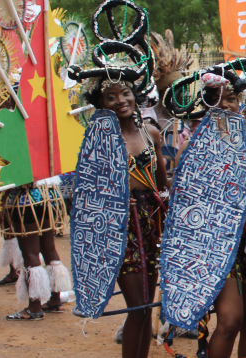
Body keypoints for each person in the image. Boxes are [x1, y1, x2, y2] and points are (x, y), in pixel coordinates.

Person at [178, 66, 246, 358]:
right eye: (218, 98)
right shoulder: (192, 147)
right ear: (206, 103)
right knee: (229, 321)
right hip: (214, 244)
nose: (227, 105)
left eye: (232, 98)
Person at [79, 71, 169, 358]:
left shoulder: (150, 132)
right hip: (118, 229)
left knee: (145, 310)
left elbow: (162, 183)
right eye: (111, 96)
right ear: (101, 103)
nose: (121, 100)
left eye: (125, 93)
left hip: (152, 223)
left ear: (135, 94)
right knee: (138, 305)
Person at [1, 179, 70, 321]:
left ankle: (34, 308)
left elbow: (15, 175)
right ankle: (55, 300)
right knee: (49, 249)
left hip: (26, 199)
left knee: (30, 253)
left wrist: (3, 198)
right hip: (48, 194)